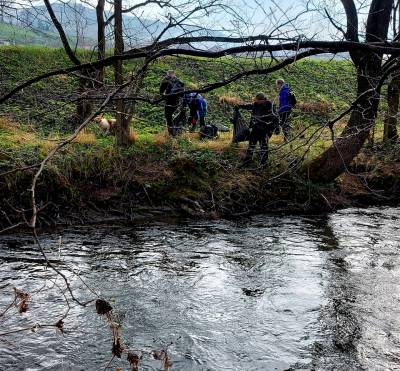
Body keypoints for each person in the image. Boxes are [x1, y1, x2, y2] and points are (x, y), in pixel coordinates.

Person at [236, 92, 277, 166]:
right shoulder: (256, 104)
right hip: (255, 128)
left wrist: (272, 129)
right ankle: (247, 162)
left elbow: (275, 118)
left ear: (262, 100)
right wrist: (239, 106)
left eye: (257, 100)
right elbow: (249, 106)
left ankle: (263, 164)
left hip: (265, 129)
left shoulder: (269, 105)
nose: (255, 101)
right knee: (251, 145)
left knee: (264, 146)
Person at [159, 70, 184, 136]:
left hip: (169, 101)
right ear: (174, 74)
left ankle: (171, 133)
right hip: (176, 102)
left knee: (168, 116)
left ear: (168, 74)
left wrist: (162, 95)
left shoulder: (166, 79)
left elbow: (161, 90)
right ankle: (175, 130)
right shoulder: (179, 80)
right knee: (171, 116)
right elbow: (182, 92)